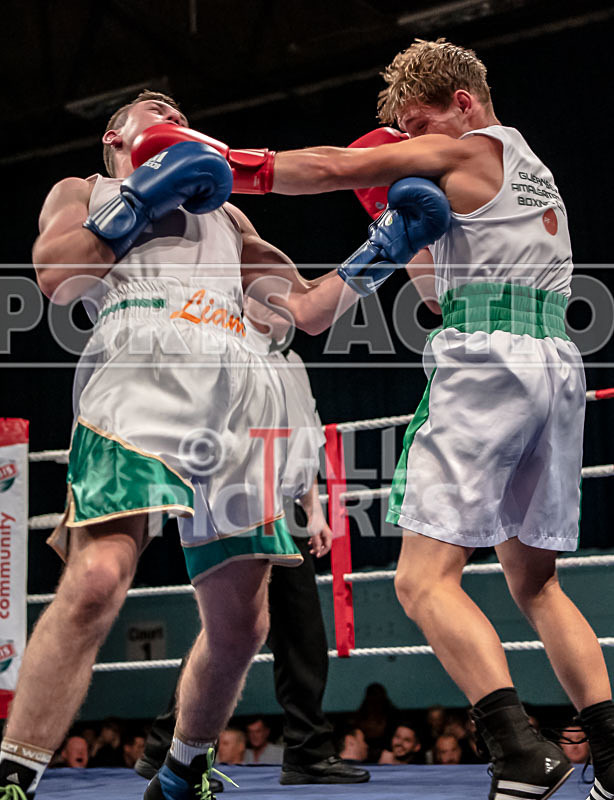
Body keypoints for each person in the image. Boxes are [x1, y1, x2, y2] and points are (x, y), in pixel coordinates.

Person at [0, 91, 444, 800]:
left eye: (179, 110)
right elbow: (56, 279)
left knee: (242, 623)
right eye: (155, 107)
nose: (173, 114)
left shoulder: (228, 212)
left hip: (238, 387)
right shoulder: (84, 190)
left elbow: (302, 311)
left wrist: (381, 251)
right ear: (115, 135)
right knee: (97, 577)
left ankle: (183, 771)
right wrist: (141, 198)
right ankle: (14, 774)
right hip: (138, 370)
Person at [236, 36, 614, 800]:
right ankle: (610, 749)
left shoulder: (469, 149)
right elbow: (437, 295)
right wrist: (396, 222)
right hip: (553, 364)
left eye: (416, 128)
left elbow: (333, 166)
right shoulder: (532, 170)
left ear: (462, 104)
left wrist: (233, 165)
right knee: (537, 585)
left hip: (487, 365)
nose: (408, 147)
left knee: (420, 581)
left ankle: (519, 752)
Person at [135, 299, 369, 786]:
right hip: (243, 502)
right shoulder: (233, 354)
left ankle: (298, 749)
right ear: (250, 306)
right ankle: (172, 745)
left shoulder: (293, 364)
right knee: (235, 629)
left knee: (292, 632)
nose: (289, 310)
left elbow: (304, 442)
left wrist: (314, 511)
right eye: (275, 299)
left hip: (284, 507)